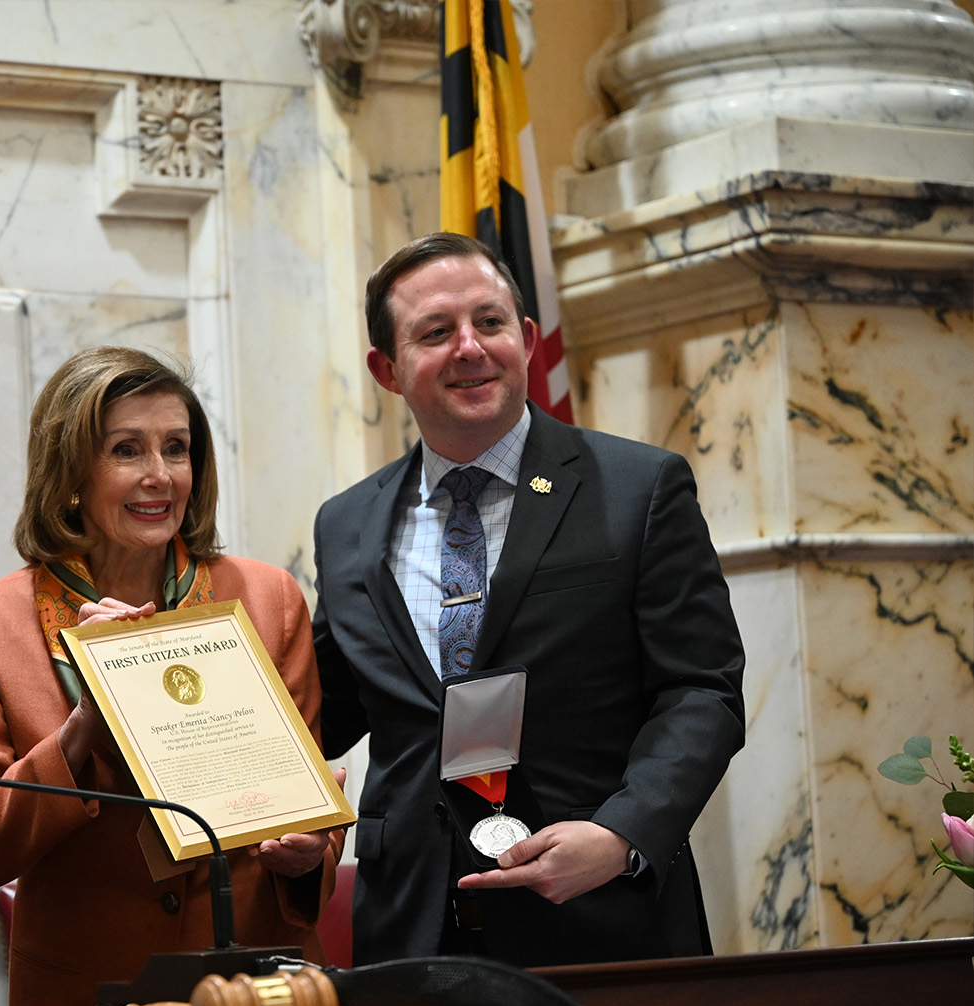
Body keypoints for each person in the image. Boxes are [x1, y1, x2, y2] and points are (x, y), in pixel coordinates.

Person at [313, 233, 745, 968]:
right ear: (386, 369)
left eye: (489, 322)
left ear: (527, 338)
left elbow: (700, 689)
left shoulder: (638, 488)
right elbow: (326, 707)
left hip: (599, 916)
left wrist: (621, 834)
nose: (469, 348)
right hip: (413, 934)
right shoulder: (346, 523)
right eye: (435, 331)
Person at [0, 346, 344, 1006]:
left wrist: (313, 852)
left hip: (257, 983)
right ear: (71, 471)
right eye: (126, 450)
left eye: (177, 448)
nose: (160, 475)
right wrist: (77, 736)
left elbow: (308, 801)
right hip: (89, 996)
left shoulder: (268, 597)